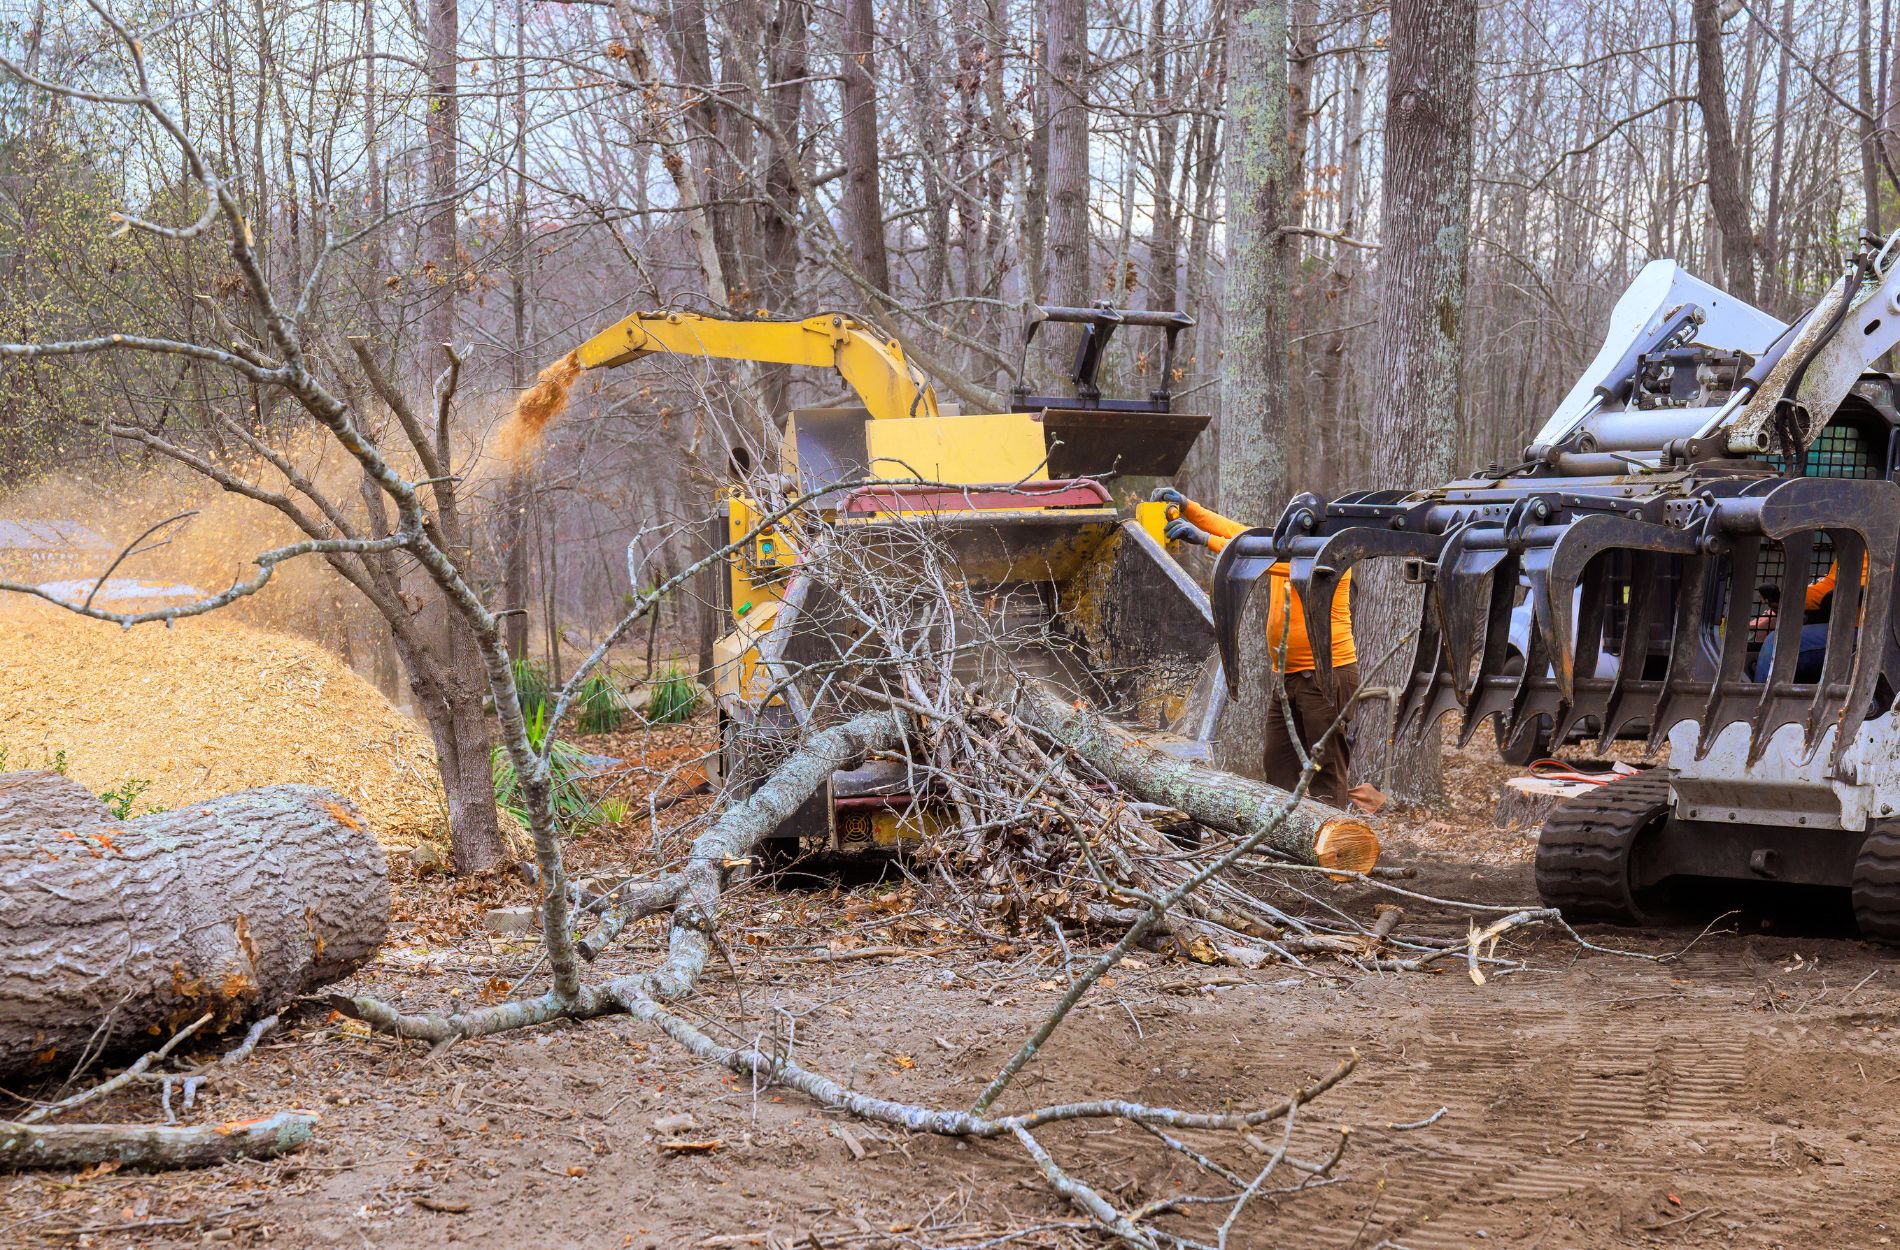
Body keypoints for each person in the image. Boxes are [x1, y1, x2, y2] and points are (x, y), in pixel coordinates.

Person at [1152, 487, 1379, 811]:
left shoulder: (1332, 554)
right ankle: (1284, 833)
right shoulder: (1281, 547)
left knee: (1327, 771)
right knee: (1278, 765)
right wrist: (1188, 507)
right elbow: (1236, 533)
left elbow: (1265, 559)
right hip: (1288, 679)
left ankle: (1334, 836)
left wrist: (1203, 540)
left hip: (1326, 677)